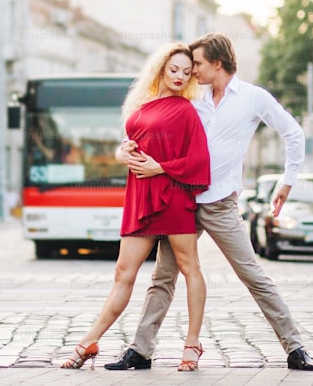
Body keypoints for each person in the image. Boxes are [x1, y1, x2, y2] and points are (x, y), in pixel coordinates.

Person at [108, 33, 313, 372]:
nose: (192, 72)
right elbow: (155, 131)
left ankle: (295, 347)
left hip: (220, 203)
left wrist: (288, 179)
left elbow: (292, 133)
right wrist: (126, 150)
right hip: (183, 200)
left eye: (199, 65)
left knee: (252, 274)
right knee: (163, 278)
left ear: (217, 64)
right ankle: (140, 350)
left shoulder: (253, 98)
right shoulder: (193, 99)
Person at [61, 43, 210, 371]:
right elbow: (133, 142)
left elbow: (199, 160)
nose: (180, 76)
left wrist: (160, 168)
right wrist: (120, 153)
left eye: (186, 72)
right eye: (174, 69)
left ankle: (191, 344)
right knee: (122, 273)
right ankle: (90, 341)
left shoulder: (186, 109)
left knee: (190, 269)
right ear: (160, 68)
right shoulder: (141, 105)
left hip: (172, 197)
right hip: (140, 197)